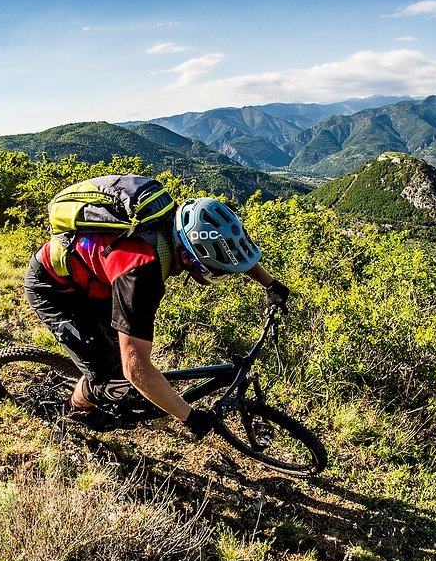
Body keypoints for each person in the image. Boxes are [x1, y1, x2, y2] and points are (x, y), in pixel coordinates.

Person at [23, 187, 290, 438]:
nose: (218, 275)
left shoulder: (173, 221)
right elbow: (136, 369)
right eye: (214, 270)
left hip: (99, 281)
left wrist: (270, 284)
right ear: (187, 257)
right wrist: (189, 417)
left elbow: (230, 248)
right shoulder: (141, 277)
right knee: (114, 378)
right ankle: (73, 410)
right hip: (55, 289)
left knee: (119, 350)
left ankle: (95, 372)